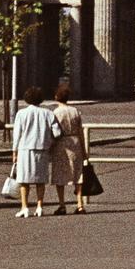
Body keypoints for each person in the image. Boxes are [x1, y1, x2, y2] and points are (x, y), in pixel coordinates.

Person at [10, 87, 58, 218]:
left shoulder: (21, 113)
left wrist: (14, 152)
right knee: (40, 180)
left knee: (23, 180)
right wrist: (49, 141)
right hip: (42, 149)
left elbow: (17, 135)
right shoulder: (48, 113)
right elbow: (57, 132)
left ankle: (24, 207)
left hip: (24, 149)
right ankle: (39, 206)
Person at [50, 83, 87, 215]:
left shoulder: (55, 113)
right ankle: (80, 204)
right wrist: (83, 149)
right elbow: (80, 131)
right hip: (75, 142)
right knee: (78, 174)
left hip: (61, 143)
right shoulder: (75, 111)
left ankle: (62, 204)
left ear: (56, 97)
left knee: (59, 175)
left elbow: (53, 132)